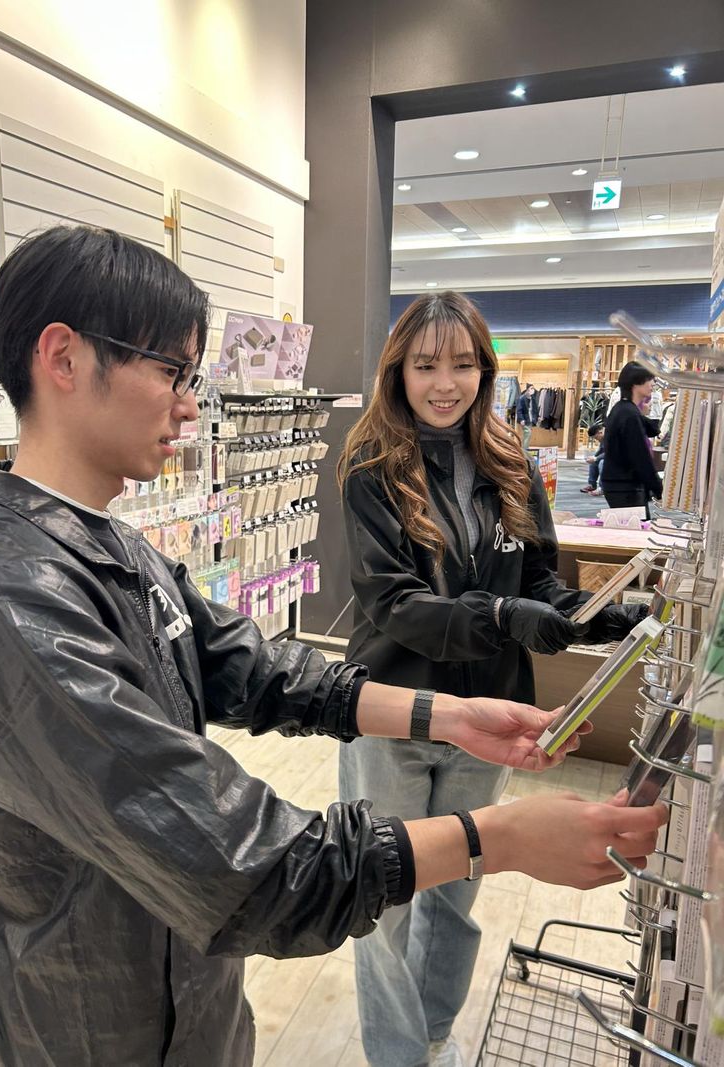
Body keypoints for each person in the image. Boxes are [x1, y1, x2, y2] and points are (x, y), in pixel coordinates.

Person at [0, 229, 666, 1067]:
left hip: (185, 999)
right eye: (171, 371)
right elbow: (248, 864)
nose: (189, 407)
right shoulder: (9, 604)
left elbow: (252, 667)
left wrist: (447, 715)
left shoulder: (107, 545)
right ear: (63, 357)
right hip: (91, 1030)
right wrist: (500, 837)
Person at [337, 291, 651, 1067]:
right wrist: (505, 615)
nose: (444, 383)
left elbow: (538, 581)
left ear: (485, 368)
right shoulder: (372, 469)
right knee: (385, 900)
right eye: (425, 365)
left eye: (461, 364)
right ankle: (399, 1057)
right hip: (397, 711)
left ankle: (432, 1035)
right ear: (398, 372)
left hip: (492, 716)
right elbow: (395, 604)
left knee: (458, 894)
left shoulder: (512, 463)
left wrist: (597, 615)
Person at [600, 362, 663, 518]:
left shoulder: (625, 409)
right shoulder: (628, 414)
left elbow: (653, 430)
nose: (653, 384)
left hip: (620, 482)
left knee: (634, 526)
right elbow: (640, 456)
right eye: (649, 379)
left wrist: (642, 412)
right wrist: (658, 488)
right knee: (636, 528)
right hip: (624, 485)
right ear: (636, 382)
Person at [580, 423, 605, 494]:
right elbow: (601, 450)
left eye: (596, 438)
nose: (596, 440)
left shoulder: (611, 436)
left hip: (618, 458)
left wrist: (596, 458)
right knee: (593, 462)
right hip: (609, 457)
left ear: (600, 432)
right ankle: (592, 484)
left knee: (602, 463)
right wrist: (594, 457)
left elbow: (610, 452)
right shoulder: (603, 438)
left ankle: (602, 488)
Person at [516, 382, 536, 448]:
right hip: (524, 419)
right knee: (528, 433)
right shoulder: (522, 398)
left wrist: (537, 417)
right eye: (531, 388)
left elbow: (534, 409)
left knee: (527, 435)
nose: (533, 390)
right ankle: (525, 450)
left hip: (530, 419)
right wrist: (521, 419)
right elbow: (519, 410)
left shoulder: (532, 398)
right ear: (527, 389)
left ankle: (525, 448)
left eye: (533, 388)